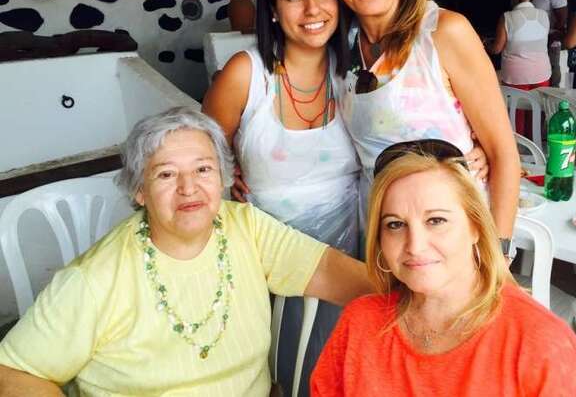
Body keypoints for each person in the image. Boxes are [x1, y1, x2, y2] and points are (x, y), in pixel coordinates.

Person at [0, 107, 372, 396]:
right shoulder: (94, 279)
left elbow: (329, 271)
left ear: (223, 177)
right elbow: (13, 372)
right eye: (166, 174)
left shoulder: (246, 227)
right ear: (139, 190)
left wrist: (407, 304)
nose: (188, 188)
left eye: (203, 169)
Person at [310, 140, 576, 396]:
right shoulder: (359, 324)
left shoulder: (539, 345)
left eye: (436, 220)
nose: (415, 245)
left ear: (476, 227)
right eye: (395, 225)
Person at [202, 0, 361, 396]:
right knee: (281, 378)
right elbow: (199, 155)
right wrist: (225, 175)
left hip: (350, 261)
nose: (313, 9)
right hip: (265, 273)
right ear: (272, 7)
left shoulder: (356, 71)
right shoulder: (245, 74)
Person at [316, 0, 519, 256]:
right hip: (381, 238)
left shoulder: (443, 33)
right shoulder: (337, 46)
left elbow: (503, 153)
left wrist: (500, 255)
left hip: (453, 241)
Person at [490, 0, 550, 137]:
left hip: (516, 76)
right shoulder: (544, 16)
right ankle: (536, 144)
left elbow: (497, 48)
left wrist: (485, 44)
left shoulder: (507, 17)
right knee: (536, 114)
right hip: (541, 74)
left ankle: (519, 147)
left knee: (517, 117)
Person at [522, 0, 568, 88]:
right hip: (529, 41)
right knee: (533, 77)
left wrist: (548, 38)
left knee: (551, 75)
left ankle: (552, 97)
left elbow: (561, 20)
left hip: (549, 41)